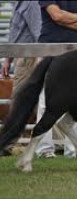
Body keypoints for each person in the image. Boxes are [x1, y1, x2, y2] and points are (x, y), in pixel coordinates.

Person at [35, 0, 77, 158]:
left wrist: (64, 18)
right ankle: (44, 149)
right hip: (49, 48)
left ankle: (73, 148)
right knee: (44, 101)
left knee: (76, 101)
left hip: (74, 51)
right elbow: (56, 15)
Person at [0, 1, 41, 156]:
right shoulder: (21, 3)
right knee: (31, 101)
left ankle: (7, 144)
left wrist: (39, 56)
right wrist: (8, 58)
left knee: (19, 100)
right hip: (23, 55)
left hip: (28, 55)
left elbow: (37, 32)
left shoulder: (30, 4)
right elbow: (15, 32)